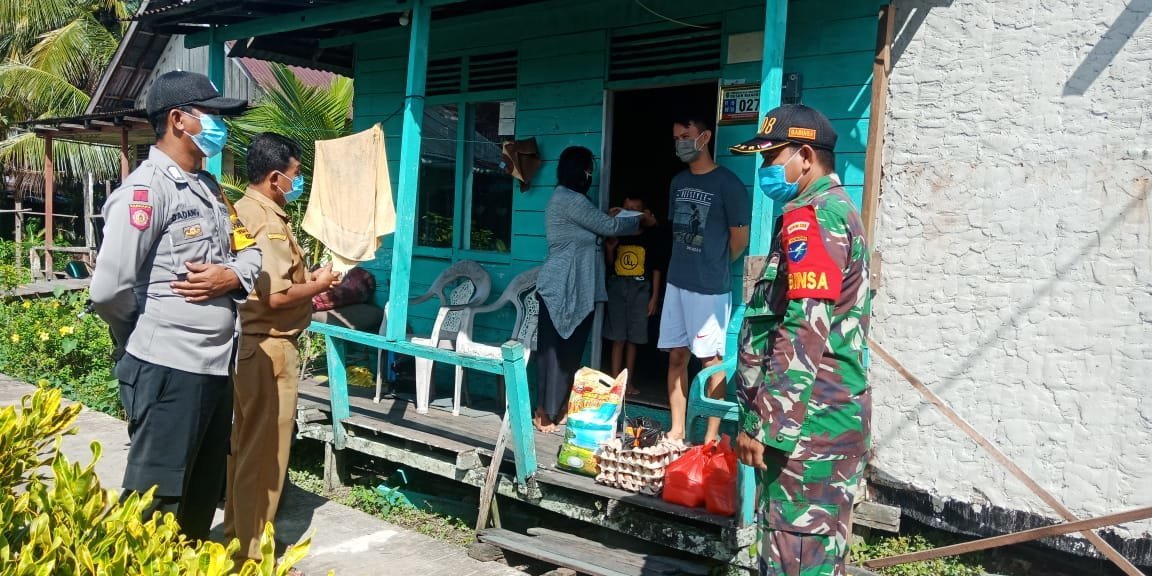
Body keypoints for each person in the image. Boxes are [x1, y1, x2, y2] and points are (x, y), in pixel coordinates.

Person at [89, 70, 257, 540]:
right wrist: (139, 335)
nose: (221, 126)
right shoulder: (145, 192)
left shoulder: (210, 188)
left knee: (202, 491)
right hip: (167, 365)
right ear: (179, 119)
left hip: (215, 365)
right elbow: (108, 290)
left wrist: (232, 275)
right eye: (212, 115)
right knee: (156, 499)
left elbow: (251, 251)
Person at [730, 104, 871, 576]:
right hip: (815, 429)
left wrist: (765, 425)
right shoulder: (830, 212)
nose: (765, 169)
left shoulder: (813, 219)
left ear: (805, 157)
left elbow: (803, 328)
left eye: (771, 158)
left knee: (796, 560)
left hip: (808, 436)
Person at [223, 133, 341, 564]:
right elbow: (274, 295)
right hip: (270, 347)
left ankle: (238, 542)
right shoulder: (267, 222)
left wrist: (308, 283)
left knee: (245, 450)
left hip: (250, 345)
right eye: (295, 174)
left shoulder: (244, 210)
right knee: (266, 456)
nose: (298, 182)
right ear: (276, 177)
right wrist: (319, 283)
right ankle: (252, 558)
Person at [535, 146, 656, 432]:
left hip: (580, 287)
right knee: (552, 353)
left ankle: (560, 408)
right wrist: (641, 218)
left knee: (570, 352)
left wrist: (613, 217)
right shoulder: (567, 198)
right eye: (588, 170)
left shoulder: (578, 201)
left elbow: (599, 223)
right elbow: (608, 227)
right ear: (579, 172)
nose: (591, 175)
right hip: (559, 286)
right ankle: (543, 413)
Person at [660, 114, 750, 443]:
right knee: (676, 356)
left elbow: (739, 239)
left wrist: (715, 263)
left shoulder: (728, 184)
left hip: (710, 288)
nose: (680, 143)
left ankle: (710, 438)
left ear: (705, 137)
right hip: (676, 282)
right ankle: (677, 430)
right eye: (676, 138)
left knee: (710, 362)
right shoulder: (678, 182)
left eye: (686, 135)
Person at [603, 195, 664, 395]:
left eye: (636, 208)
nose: (631, 212)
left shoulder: (650, 236)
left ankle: (627, 383)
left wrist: (654, 298)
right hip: (617, 289)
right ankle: (615, 384)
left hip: (640, 291)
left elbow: (656, 268)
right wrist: (610, 250)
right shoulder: (617, 234)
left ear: (644, 212)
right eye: (627, 208)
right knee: (617, 338)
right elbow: (610, 265)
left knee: (633, 340)